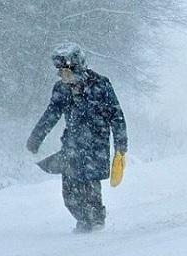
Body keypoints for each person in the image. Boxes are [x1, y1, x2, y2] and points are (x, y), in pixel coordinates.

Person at [26, 42, 128, 233]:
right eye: (60, 71)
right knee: (69, 192)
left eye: (66, 70)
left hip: (96, 145)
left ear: (78, 66)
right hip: (71, 145)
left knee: (89, 186)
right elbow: (51, 114)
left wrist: (121, 145)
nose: (62, 75)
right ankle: (83, 220)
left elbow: (116, 116)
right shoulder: (61, 89)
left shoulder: (101, 85)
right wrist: (36, 137)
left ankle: (96, 221)